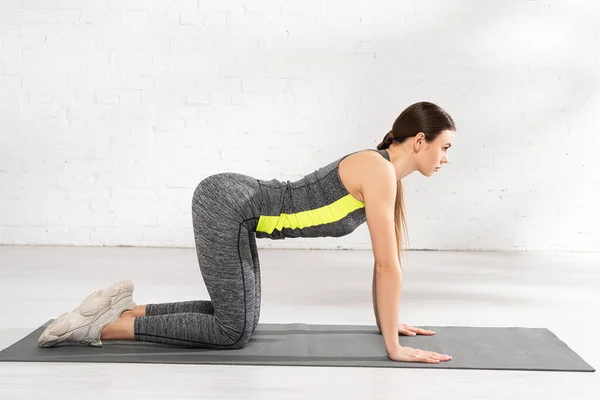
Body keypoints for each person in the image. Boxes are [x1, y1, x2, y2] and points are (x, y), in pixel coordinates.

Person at [38, 101, 456, 364]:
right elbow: (387, 265)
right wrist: (392, 346)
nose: (446, 158)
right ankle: (98, 328)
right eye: (445, 147)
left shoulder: (382, 172)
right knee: (232, 331)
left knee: (239, 321)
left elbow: (385, 265)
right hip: (229, 205)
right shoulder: (379, 170)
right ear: (420, 140)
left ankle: (124, 309)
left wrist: (390, 323)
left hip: (238, 209)